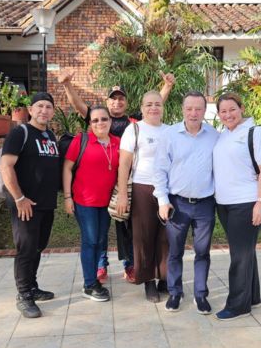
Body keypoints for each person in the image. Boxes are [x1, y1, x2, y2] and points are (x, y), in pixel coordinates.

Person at [58, 69, 175, 284]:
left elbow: (153, 108)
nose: (117, 103)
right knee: (98, 234)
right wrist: (67, 85)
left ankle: (129, 264)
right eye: (113, 99)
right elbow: (78, 106)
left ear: (126, 103)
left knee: (126, 227)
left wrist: (166, 87)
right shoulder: (98, 119)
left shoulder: (133, 122)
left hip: (127, 185)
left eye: (121, 99)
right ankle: (101, 265)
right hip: (97, 189)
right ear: (107, 102)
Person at [153, 91, 219, 314]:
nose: (193, 113)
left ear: (204, 110)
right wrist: (162, 200)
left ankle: (201, 295)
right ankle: (175, 292)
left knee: (202, 251)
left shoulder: (214, 136)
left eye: (198, 109)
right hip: (177, 204)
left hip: (205, 204)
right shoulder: (170, 135)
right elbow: (159, 170)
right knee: (175, 251)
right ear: (182, 109)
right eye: (189, 108)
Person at [212, 93, 261, 321]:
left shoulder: (255, 132)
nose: (228, 114)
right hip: (225, 205)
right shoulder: (222, 136)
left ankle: (238, 305)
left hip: (247, 203)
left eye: (232, 109)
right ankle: (253, 296)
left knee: (240, 255)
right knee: (246, 252)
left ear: (241, 108)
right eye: (223, 111)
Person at [0, 92, 60, 319]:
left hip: (45, 203)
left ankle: (32, 287)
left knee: (38, 246)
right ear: (31, 109)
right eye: (40, 106)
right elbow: (7, 167)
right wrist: (19, 198)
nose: (44, 110)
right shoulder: (20, 133)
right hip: (24, 203)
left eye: (48, 107)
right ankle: (24, 295)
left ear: (53, 111)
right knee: (26, 248)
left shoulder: (50, 136)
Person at [116, 91, 169, 302]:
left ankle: (165, 278)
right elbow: (124, 164)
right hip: (142, 188)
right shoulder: (134, 129)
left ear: (162, 107)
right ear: (142, 107)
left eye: (157, 104)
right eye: (149, 104)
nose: (153, 108)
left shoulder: (170, 131)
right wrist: (122, 194)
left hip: (166, 190)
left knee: (166, 237)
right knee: (143, 236)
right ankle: (148, 282)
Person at [62, 106, 120, 302]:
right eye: (95, 120)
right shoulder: (82, 140)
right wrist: (67, 197)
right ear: (90, 123)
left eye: (104, 119)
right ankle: (89, 284)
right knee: (91, 240)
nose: (100, 123)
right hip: (84, 201)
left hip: (107, 203)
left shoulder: (117, 143)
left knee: (101, 240)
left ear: (110, 121)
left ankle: (93, 278)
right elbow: (67, 168)